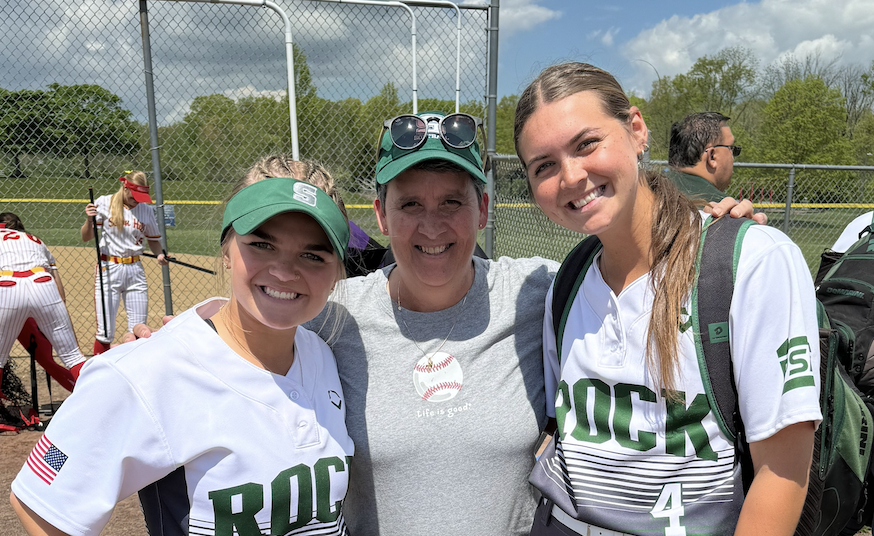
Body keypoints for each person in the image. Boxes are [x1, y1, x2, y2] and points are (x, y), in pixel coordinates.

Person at [128, 119, 763, 535]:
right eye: (410, 205)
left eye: (452, 201)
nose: (433, 226)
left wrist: (706, 227)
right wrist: (183, 334)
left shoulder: (542, 290)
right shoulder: (333, 314)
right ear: (379, 213)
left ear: (483, 208)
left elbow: (636, 258)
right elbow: (257, 313)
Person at [514, 62, 821, 536]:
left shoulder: (752, 262)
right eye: (545, 166)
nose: (571, 176)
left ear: (636, 129)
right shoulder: (567, 281)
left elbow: (782, 473)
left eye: (586, 144)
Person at [10, 158, 354, 536]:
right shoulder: (146, 373)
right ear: (226, 249)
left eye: (313, 255)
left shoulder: (324, 355)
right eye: (261, 244)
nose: (285, 271)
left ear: (338, 269)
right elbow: (42, 507)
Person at [0, 212, 85, 428]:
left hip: (8, 286)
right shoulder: (35, 239)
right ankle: (97, 400)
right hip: (44, 285)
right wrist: (54, 313)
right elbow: (59, 287)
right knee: (73, 356)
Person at [80, 170, 168, 355]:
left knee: (138, 328)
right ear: (125, 187)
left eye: (141, 196)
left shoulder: (145, 209)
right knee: (105, 331)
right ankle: (100, 372)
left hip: (135, 269)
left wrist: (160, 254)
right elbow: (86, 237)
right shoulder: (104, 203)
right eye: (134, 195)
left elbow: (152, 239)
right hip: (109, 268)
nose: (137, 200)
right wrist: (89, 219)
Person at [667, 112, 740, 202]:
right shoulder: (723, 211)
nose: (733, 157)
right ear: (712, 157)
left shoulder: (649, 190)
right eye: (731, 148)